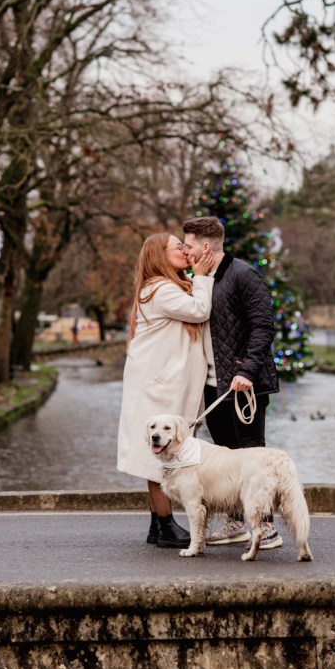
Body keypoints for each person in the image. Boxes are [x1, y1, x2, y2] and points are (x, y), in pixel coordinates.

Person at [182, 216, 282, 549]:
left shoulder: (243, 274)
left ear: (205, 247)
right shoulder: (196, 281)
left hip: (244, 386)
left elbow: (263, 326)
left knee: (252, 459)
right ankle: (236, 523)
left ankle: (266, 528)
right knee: (226, 461)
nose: (185, 250)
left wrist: (247, 372)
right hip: (213, 387)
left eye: (189, 245)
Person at [117, 232, 215, 548]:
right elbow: (200, 310)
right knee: (159, 454)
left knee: (160, 453)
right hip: (158, 388)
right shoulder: (160, 290)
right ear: (161, 255)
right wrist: (201, 276)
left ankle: (157, 526)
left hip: (160, 384)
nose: (185, 251)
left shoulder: (164, 287)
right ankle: (166, 525)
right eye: (179, 247)